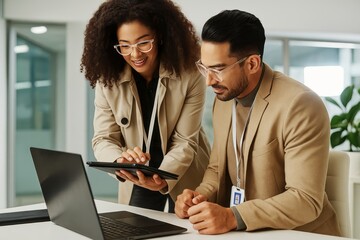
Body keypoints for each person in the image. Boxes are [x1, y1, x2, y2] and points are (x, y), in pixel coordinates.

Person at [175, 9, 341, 236]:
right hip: (248, 232)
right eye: (204, 68)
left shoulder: (300, 104)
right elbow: (217, 168)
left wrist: (233, 216)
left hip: (300, 234)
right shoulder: (224, 98)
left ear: (252, 63)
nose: (209, 81)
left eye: (219, 69)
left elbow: (305, 200)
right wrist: (198, 197)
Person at [80, 0, 210, 213]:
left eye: (143, 43)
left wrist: (161, 178)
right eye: (125, 45)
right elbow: (103, 139)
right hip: (137, 176)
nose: (135, 54)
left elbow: (185, 141)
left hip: (183, 171)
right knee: (135, 229)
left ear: (159, 37)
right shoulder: (107, 82)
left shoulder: (191, 74)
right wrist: (120, 161)